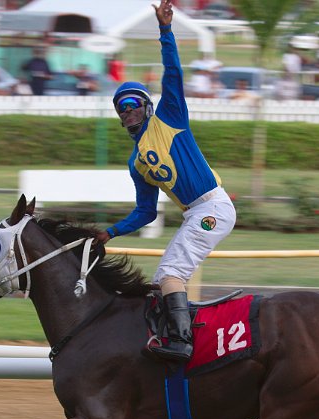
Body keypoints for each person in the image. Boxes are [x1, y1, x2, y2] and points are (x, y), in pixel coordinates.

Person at [97, 0, 236, 363]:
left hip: (214, 207)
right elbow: (145, 212)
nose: (127, 112)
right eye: (120, 108)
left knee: (170, 272)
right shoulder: (136, 162)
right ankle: (175, 332)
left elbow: (172, 73)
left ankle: (182, 341)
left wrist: (165, 30)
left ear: (147, 106)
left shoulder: (170, 117)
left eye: (132, 104)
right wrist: (109, 233)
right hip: (195, 213)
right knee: (163, 276)